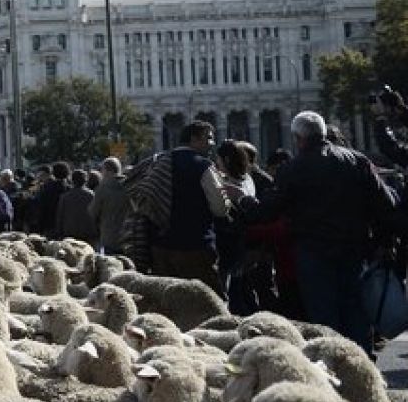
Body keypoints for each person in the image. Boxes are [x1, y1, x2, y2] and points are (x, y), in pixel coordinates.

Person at [239, 111, 395, 353]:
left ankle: (332, 366)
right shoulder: (357, 161)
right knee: (355, 310)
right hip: (353, 248)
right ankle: (361, 364)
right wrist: (382, 241)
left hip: (314, 251)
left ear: (298, 138)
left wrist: (245, 202)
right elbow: (385, 204)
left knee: (324, 315)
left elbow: (268, 211)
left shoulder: (294, 169)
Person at [146, 121, 231, 292]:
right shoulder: (203, 166)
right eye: (208, 138)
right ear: (194, 139)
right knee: (208, 301)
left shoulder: (158, 163)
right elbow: (220, 208)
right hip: (195, 247)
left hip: (161, 247)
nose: (212, 143)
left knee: (169, 302)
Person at [213, 140, 256, 314]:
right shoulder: (247, 179)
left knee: (230, 289)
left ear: (225, 160)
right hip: (243, 241)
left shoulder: (225, 183)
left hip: (228, 241)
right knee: (242, 285)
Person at [88, 157, 130, 255]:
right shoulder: (130, 185)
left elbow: (93, 212)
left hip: (109, 236)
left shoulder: (102, 189)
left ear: (108, 171)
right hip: (129, 235)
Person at [55, 169, 97, 246]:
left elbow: (60, 216)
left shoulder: (65, 197)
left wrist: (59, 232)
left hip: (69, 232)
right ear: (85, 180)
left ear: (72, 180)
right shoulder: (91, 195)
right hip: (87, 233)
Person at [33, 163, 70, 237]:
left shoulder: (46, 188)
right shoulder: (69, 189)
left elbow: (41, 208)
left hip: (49, 225)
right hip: (66, 226)